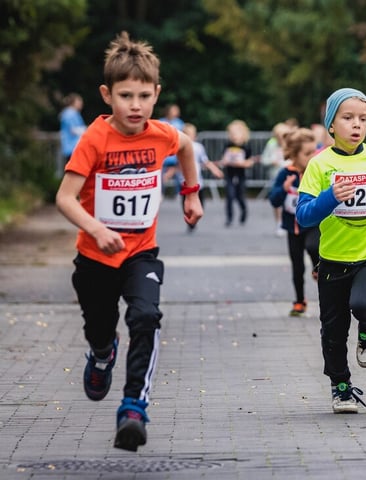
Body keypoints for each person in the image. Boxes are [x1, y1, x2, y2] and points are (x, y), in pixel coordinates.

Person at [54, 31, 203, 451]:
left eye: (143, 95)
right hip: (95, 258)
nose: (135, 105)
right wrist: (98, 230)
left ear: (156, 95)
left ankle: (134, 405)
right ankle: (102, 354)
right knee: (101, 329)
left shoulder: (161, 134)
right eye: (125, 96)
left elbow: (188, 147)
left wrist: (192, 194)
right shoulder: (95, 139)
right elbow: (64, 198)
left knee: (146, 318)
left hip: (141, 254)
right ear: (107, 95)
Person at [296, 88, 366, 413]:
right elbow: (304, 214)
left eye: (362, 119)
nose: (356, 125)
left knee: (363, 304)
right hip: (333, 256)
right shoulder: (320, 164)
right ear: (331, 125)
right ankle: (341, 387)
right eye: (347, 118)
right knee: (333, 331)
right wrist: (330, 197)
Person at [268, 127, 321, 316]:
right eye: (307, 153)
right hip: (292, 228)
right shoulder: (286, 174)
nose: (313, 156)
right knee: (297, 266)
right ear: (294, 154)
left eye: (315, 151)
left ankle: (318, 267)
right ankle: (299, 301)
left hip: (313, 224)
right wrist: (283, 189)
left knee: (313, 246)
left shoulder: (317, 172)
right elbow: (273, 199)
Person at [164, 123, 223, 232]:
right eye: (187, 134)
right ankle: (189, 218)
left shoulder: (198, 147)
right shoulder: (179, 147)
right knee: (185, 201)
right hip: (183, 180)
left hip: (197, 180)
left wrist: (215, 170)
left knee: (200, 199)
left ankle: (197, 215)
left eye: (191, 134)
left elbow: (205, 161)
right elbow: (176, 164)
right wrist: (169, 174)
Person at [218, 119, 255, 227]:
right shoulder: (227, 145)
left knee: (240, 196)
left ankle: (243, 211)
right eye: (231, 134)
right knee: (229, 196)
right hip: (229, 174)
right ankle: (229, 218)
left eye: (236, 133)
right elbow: (223, 159)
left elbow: (250, 162)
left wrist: (242, 163)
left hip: (241, 175)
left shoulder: (246, 147)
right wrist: (224, 162)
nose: (233, 136)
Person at [262, 121, 294, 236]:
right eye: (278, 135)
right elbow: (264, 159)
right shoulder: (272, 144)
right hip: (276, 177)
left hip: (290, 175)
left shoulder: (291, 144)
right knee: (277, 200)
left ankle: (289, 222)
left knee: (289, 200)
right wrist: (272, 161)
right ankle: (279, 223)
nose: (281, 138)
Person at [59, 93, 86, 163]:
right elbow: (73, 130)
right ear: (74, 102)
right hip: (73, 147)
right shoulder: (70, 113)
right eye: (79, 101)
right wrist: (88, 130)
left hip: (72, 147)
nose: (81, 103)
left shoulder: (71, 113)